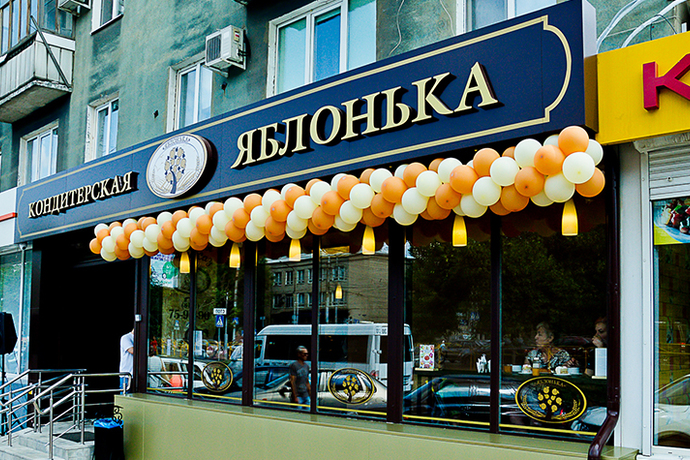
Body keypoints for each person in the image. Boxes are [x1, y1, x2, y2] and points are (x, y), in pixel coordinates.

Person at [119, 328, 134, 393]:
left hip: (136, 375)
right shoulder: (126, 338)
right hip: (126, 375)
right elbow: (132, 350)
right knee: (125, 394)